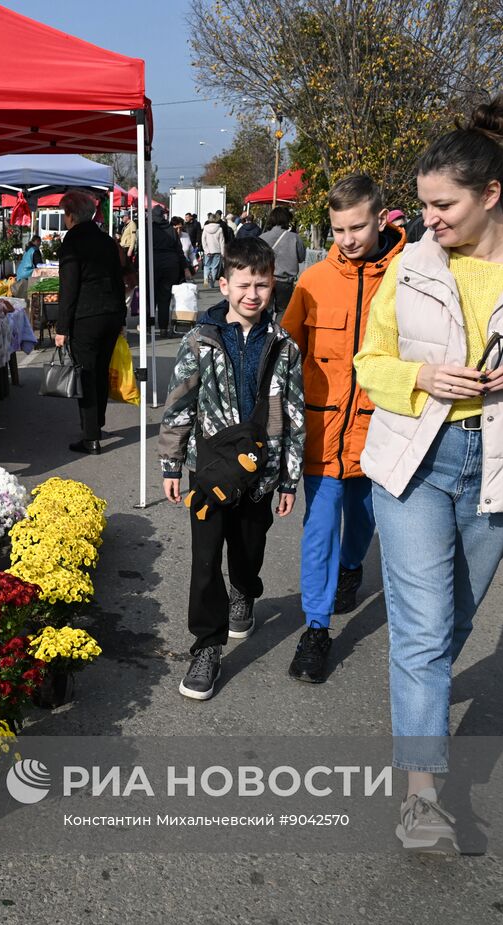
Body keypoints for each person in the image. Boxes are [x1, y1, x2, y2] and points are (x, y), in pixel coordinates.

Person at [353, 96, 503, 855]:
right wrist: (426, 375)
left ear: (490, 195)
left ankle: (417, 694)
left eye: (441, 204)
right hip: (416, 462)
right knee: (424, 630)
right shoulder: (411, 265)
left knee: (453, 618)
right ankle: (421, 796)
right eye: (424, 205)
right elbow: (371, 364)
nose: (428, 219)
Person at [159, 237, 305, 701]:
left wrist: (288, 477)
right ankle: (207, 645)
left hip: (260, 477)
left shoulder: (285, 347)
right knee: (205, 563)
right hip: (210, 473)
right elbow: (179, 403)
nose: (252, 294)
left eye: (262, 285)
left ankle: (245, 591)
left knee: (247, 551)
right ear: (223, 284)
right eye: (243, 284)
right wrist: (172, 462)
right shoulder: (200, 340)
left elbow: (296, 414)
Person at [280, 173, 406, 683]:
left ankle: (353, 568)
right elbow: (288, 353)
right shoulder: (313, 280)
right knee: (320, 526)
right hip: (323, 427)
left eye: (358, 227)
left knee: (363, 515)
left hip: (381, 429)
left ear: (380, 217)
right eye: (338, 230)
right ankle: (316, 629)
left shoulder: (410, 274)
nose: (348, 239)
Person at [54, 191, 127, 455]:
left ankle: (90, 437)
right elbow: (118, 280)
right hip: (111, 313)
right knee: (100, 371)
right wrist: (122, 317)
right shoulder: (106, 240)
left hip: (86, 316)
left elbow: (69, 288)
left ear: (70, 215)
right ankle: (97, 424)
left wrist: (62, 328)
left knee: (86, 374)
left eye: (64, 214)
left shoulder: (72, 242)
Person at [259, 206, 306, 316]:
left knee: (266, 311)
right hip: (286, 280)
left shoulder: (262, 237)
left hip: (266, 279)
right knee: (283, 311)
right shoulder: (294, 238)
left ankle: (267, 331)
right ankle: (280, 331)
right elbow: (301, 258)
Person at [150, 206, 191, 331]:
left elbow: (141, 249)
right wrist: (185, 268)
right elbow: (179, 251)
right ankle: (163, 328)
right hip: (170, 266)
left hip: (152, 264)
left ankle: (148, 325)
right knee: (165, 297)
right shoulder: (171, 230)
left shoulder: (148, 228)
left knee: (149, 297)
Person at [13, 233, 43, 298]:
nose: (40, 244)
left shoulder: (27, 249)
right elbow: (39, 264)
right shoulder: (35, 250)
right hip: (27, 272)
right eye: (39, 242)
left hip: (20, 271)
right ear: (36, 241)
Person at [201, 212, 226, 289]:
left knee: (206, 266)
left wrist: (206, 250)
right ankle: (212, 283)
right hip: (217, 251)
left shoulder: (205, 228)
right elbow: (222, 241)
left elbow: (203, 240)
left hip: (208, 251)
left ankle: (205, 278)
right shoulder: (220, 229)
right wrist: (222, 252)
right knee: (214, 267)